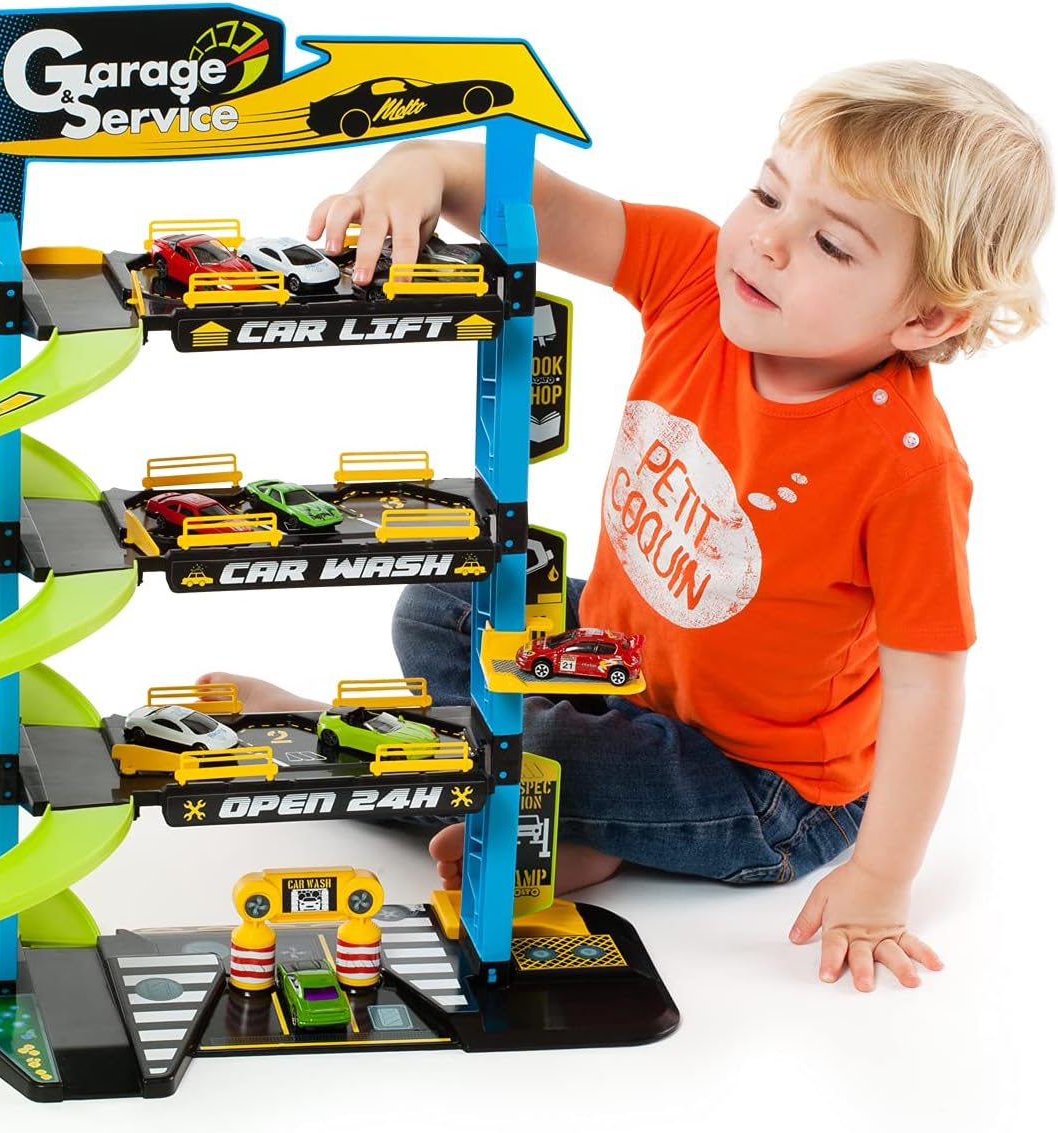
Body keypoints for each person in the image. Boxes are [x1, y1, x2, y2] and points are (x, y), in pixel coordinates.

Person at [202, 61, 1052, 991]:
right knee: (441, 600)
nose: (765, 242)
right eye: (768, 193)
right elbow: (542, 203)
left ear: (927, 316)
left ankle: (332, 739)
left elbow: (927, 684)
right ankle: (580, 826)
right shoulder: (696, 275)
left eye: (830, 245)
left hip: (756, 786)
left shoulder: (906, 467)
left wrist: (879, 883)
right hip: (620, 658)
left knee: (537, 753)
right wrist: (425, 169)